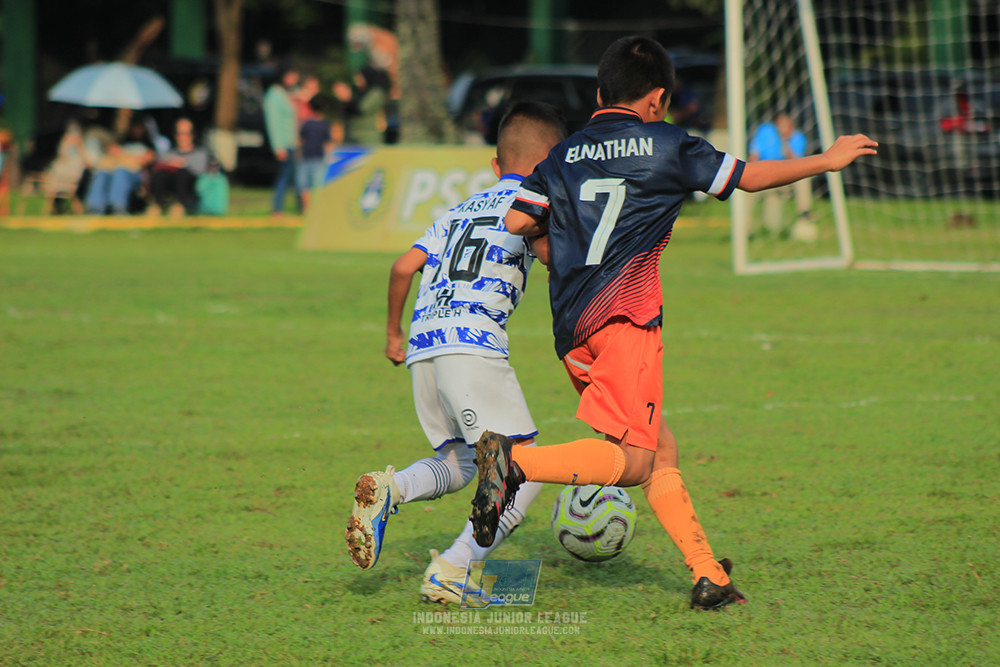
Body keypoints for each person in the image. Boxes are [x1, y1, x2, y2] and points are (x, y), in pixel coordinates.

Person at [473, 36, 877, 610]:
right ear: (657, 99)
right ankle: (512, 464)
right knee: (636, 460)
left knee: (661, 447)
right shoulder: (667, 143)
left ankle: (707, 575)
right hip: (626, 320)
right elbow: (747, 177)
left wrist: (563, 237)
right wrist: (826, 160)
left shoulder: (562, 155)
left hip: (573, 330)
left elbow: (518, 221)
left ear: (599, 96)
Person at [345, 101, 567, 604]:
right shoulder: (535, 204)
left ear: (495, 163)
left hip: (425, 346)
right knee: (526, 468)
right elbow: (555, 260)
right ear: (549, 164)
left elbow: (403, 267)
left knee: (462, 462)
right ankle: (452, 568)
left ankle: (392, 488)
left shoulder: (457, 210)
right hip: (472, 345)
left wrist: (393, 335)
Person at [748, 112, 814, 237]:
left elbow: (798, 165)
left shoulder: (797, 138)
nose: (782, 128)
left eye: (785, 125)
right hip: (764, 176)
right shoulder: (765, 131)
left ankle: (804, 214)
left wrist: (785, 143)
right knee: (744, 190)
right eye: (780, 124)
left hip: (785, 180)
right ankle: (746, 229)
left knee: (804, 180)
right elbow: (753, 156)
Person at [84, 116, 156, 215]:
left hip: (135, 173)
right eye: (135, 127)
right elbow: (110, 155)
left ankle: (117, 206)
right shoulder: (122, 141)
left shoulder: (148, 144)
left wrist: (122, 155)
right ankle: (94, 207)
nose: (137, 130)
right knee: (102, 172)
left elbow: (146, 160)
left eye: (139, 127)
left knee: (120, 172)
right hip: (114, 169)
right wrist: (126, 157)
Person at [149, 118, 212, 217]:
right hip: (170, 183)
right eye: (179, 134)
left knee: (182, 174)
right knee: (160, 175)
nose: (183, 137)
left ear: (193, 135)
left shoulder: (200, 153)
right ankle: (157, 205)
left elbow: (199, 170)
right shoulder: (168, 154)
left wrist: (181, 164)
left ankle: (180, 206)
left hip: (190, 185)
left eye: (187, 134)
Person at [263, 65, 301, 217]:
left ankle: (300, 208)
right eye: (292, 77)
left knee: (295, 177)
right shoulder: (274, 95)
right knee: (285, 177)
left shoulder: (287, 94)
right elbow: (273, 123)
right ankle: (277, 210)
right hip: (284, 144)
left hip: (292, 143)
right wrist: (278, 146)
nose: (294, 80)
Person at [296, 94, 334, 212]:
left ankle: (306, 210)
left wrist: (298, 154)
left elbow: (301, 140)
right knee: (317, 186)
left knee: (304, 187)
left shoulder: (306, 124)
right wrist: (329, 158)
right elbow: (328, 144)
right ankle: (315, 210)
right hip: (319, 159)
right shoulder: (325, 124)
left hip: (306, 158)